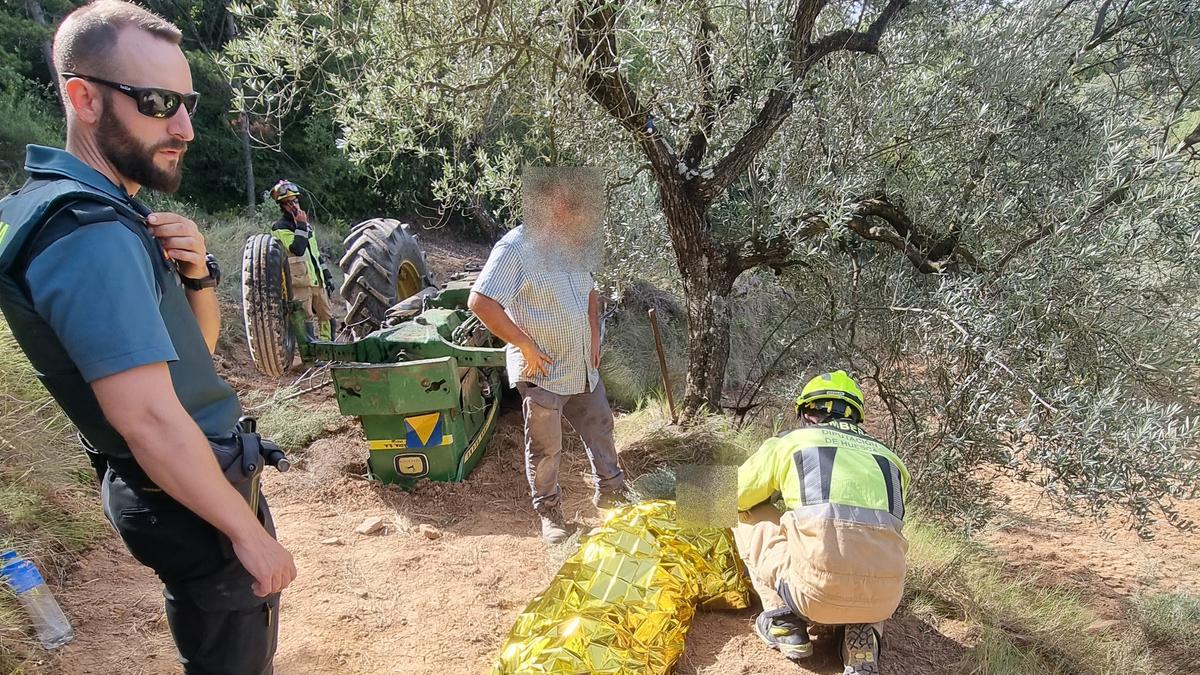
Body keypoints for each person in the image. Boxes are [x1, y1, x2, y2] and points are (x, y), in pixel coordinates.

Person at [0, 2, 295, 672]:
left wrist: (196, 277)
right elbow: (150, 419)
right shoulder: (86, 232)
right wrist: (246, 532)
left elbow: (194, 355)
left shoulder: (103, 211)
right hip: (185, 493)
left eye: (186, 102)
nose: (184, 127)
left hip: (188, 481)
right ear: (83, 98)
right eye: (159, 102)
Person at [468, 167, 625, 544]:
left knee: (601, 428)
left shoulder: (573, 243)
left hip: (582, 367)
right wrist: (524, 345)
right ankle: (551, 515)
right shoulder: (515, 248)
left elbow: (590, 293)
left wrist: (593, 339)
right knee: (545, 450)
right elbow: (481, 302)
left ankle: (613, 494)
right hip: (543, 372)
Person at [735, 370, 910, 675]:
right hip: (884, 599)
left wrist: (680, 495)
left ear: (807, 413)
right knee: (872, 546)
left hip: (814, 594)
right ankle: (863, 635)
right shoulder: (891, 460)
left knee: (745, 512)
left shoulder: (792, 442)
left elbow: (731, 494)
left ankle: (784, 621)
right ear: (856, 417)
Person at [268, 179, 336, 340]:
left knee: (327, 316)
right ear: (282, 206)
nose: (294, 206)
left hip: (316, 281)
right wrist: (300, 225)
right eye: (288, 203)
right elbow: (297, 249)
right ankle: (311, 358)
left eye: (295, 201)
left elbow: (316, 254)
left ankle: (328, 350)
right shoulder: (280, 227)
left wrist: (327, 277)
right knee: (306, 320)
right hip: (299, 283)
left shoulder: (306, 226)